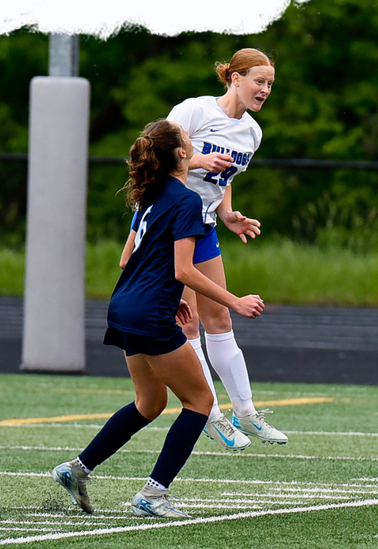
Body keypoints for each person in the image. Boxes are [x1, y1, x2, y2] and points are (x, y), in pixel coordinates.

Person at [52, 119, 265, 518]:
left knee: (150, 402)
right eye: (188, 140)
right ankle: (153, 495)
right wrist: (234, 302)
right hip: (148, 311)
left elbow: (129, 258)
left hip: (126, 305)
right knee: (200, 401)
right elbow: (184, 270)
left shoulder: (150, 195)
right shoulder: (185, 200)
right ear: (183, 154)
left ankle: (77, 469)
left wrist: (168, 300)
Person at [162, 47, 286, 450]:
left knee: (221, 321)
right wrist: (198, 160)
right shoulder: (195, 111)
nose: (265, 89)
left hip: (205, 224)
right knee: (189, 322)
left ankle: (246, 412)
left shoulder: (252, 131)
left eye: (269, 83)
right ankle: (210, 414)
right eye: (259, 81)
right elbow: (157, 155)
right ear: (234, 78)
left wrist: (228, 212)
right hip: (171, 224)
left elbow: (225, 176)